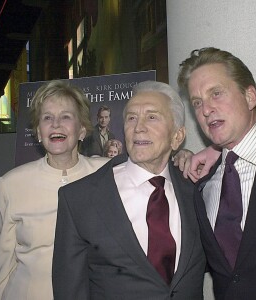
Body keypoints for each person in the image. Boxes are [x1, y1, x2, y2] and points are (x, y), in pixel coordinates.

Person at [52, 81, 206, 299]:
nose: (138, 127)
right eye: (131, 118)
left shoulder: (198, 190)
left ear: (177, 136)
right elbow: (70, 291)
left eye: (151, 117)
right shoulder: (79, 199)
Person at [178, 47, 256, 300]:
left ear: (250, 97)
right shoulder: (200, 184)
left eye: (216, 93)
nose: (206, 110)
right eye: (197, 103)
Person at [0, 80, 109, 300]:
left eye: (66, 116)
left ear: (82, 129)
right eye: (47, 118)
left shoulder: (107, 175)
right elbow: (4, 260)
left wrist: (184, 157)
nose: (56, 125)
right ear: (38, 132)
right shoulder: (11, 184)